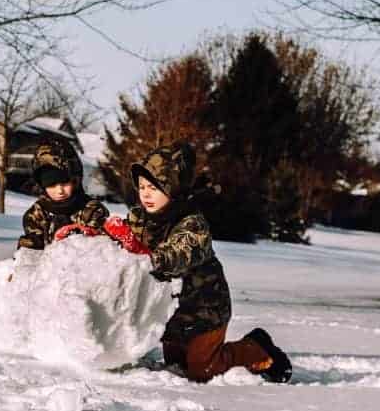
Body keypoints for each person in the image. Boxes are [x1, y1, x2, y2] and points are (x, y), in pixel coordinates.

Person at [104, 142, 293, 383]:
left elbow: (175, 257)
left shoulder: (192, 225)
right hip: (171, 315)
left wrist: (140, 250)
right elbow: (119, 242)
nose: (146, 194)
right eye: (142, 187)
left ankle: (256, 349)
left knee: (202, 370)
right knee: (176, 367)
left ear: (172, 188)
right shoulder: (139, 220)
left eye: (154, 187)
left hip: (204, 311)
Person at [17, 138, 109, 249]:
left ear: (75, 181)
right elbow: (30, 256)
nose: (59, 190)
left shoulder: (91, 210)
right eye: (51, 185)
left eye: (65, 183)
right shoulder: (36, 214)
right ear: (42, 186)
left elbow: (103, 248)